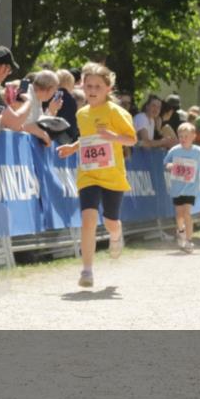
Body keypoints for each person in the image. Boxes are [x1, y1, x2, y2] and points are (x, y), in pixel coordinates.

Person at [57, 62, 137, 288]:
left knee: (110, 221)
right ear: (82, 85)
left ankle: (115, 234)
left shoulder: (117, 112)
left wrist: (113, 136)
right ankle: (87, 271)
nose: (92, 90)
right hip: (89, 173)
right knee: (88, 219)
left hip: (112, 175)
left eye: (97, 87)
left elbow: (131, 140)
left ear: (108, 88)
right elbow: (88, 139)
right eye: (88, 86)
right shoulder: (82, 113)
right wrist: (73, 148)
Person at [164, 123, 200, 253]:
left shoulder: (198, 151)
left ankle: (189, 240)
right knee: (179, 215)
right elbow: (166, 162)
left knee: (187, 213)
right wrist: (169, 166)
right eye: (181, 136)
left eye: (186, 136)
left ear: (193, 137)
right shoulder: (174, 150)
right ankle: (180, 231)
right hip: (177, 188)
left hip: (191, 188)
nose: (183, 138)